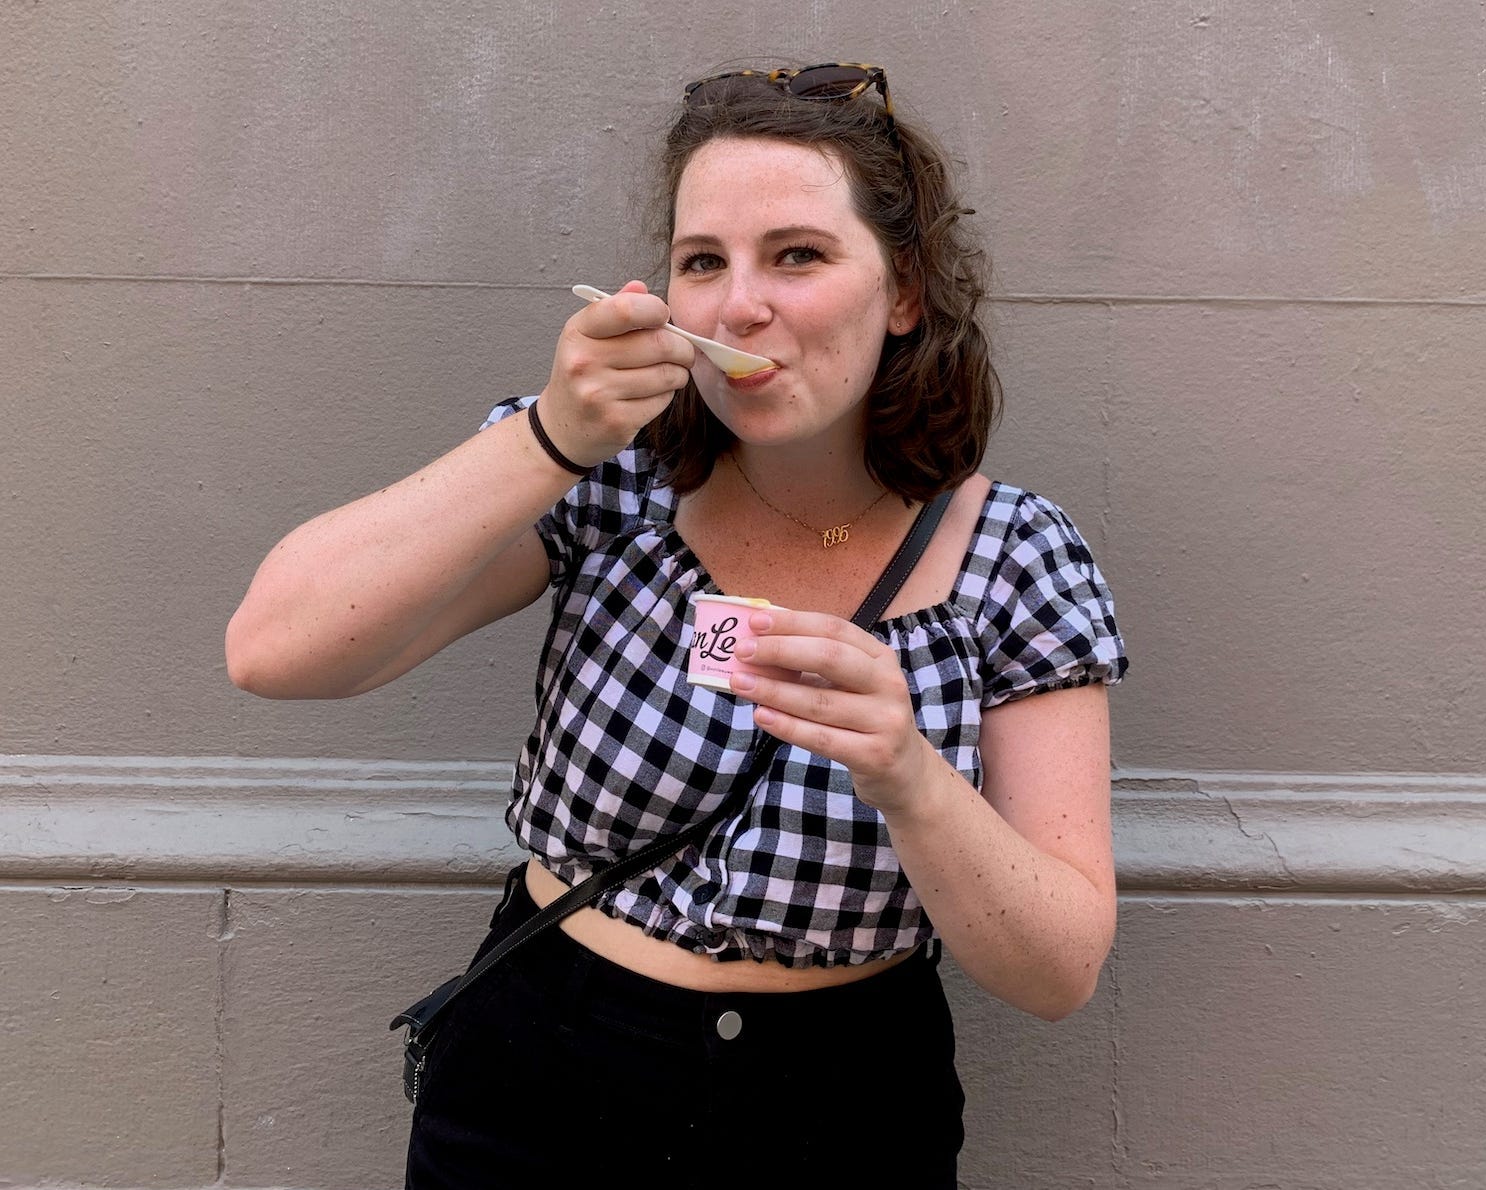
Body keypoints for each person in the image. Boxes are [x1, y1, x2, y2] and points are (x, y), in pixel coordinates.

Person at [227, 60, 1127, 1190]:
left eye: (796, 255)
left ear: (902, 292)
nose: (736, 304)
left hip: (846, 1109)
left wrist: (909, 771)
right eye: (704, 262)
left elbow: (1060, 970)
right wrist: (550, 434)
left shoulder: (1019, 558)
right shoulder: (611, 480)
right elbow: (272, 648)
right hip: (541, 1073)